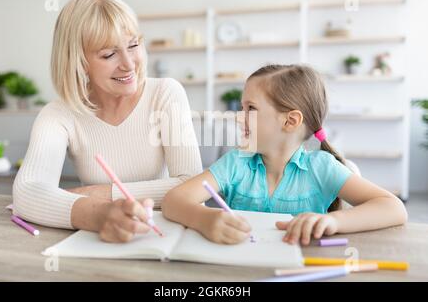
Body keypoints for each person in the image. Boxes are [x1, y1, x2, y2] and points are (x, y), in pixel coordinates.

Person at [13, 0, 202, 243]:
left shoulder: (165, 93)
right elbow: (27, 193)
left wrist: (98, 194)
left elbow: (190, 184)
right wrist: (99, 215)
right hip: (97, 240)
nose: (129, 63)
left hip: (157, 237)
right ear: (78, 61)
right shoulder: (58, 114)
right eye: (109, 54)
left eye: (133, 44)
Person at [162, 64, 407, 246]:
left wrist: (335, 222)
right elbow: (174, 201)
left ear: (290, 121)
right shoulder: (236, 162)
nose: (239, 116)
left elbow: (393, 208)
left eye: (251, 109)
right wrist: (205, 219)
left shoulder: (321, 167)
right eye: (241, 107)